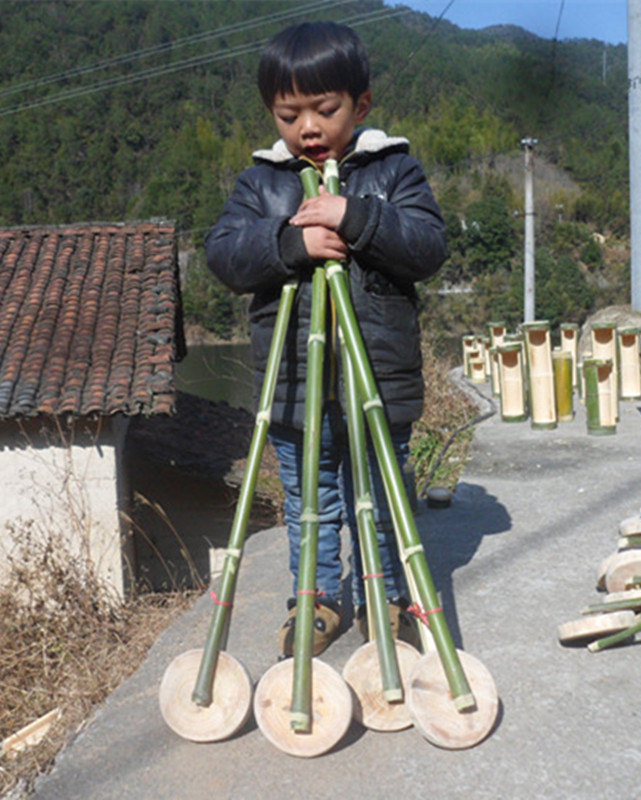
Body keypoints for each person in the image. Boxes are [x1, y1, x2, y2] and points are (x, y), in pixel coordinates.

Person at [205, 21, 447, 657]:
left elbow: (427, 247)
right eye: (289, 114)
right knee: (311, 504)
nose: (307, 127)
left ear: (360, 106)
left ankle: (388, 598)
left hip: (380, 385)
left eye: (325, 109)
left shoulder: (394, 170)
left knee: (383, 500)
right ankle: (313, 603)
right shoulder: (262, 183)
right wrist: (290, 242)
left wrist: (356, 216)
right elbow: (225, 257)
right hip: (295, 390)